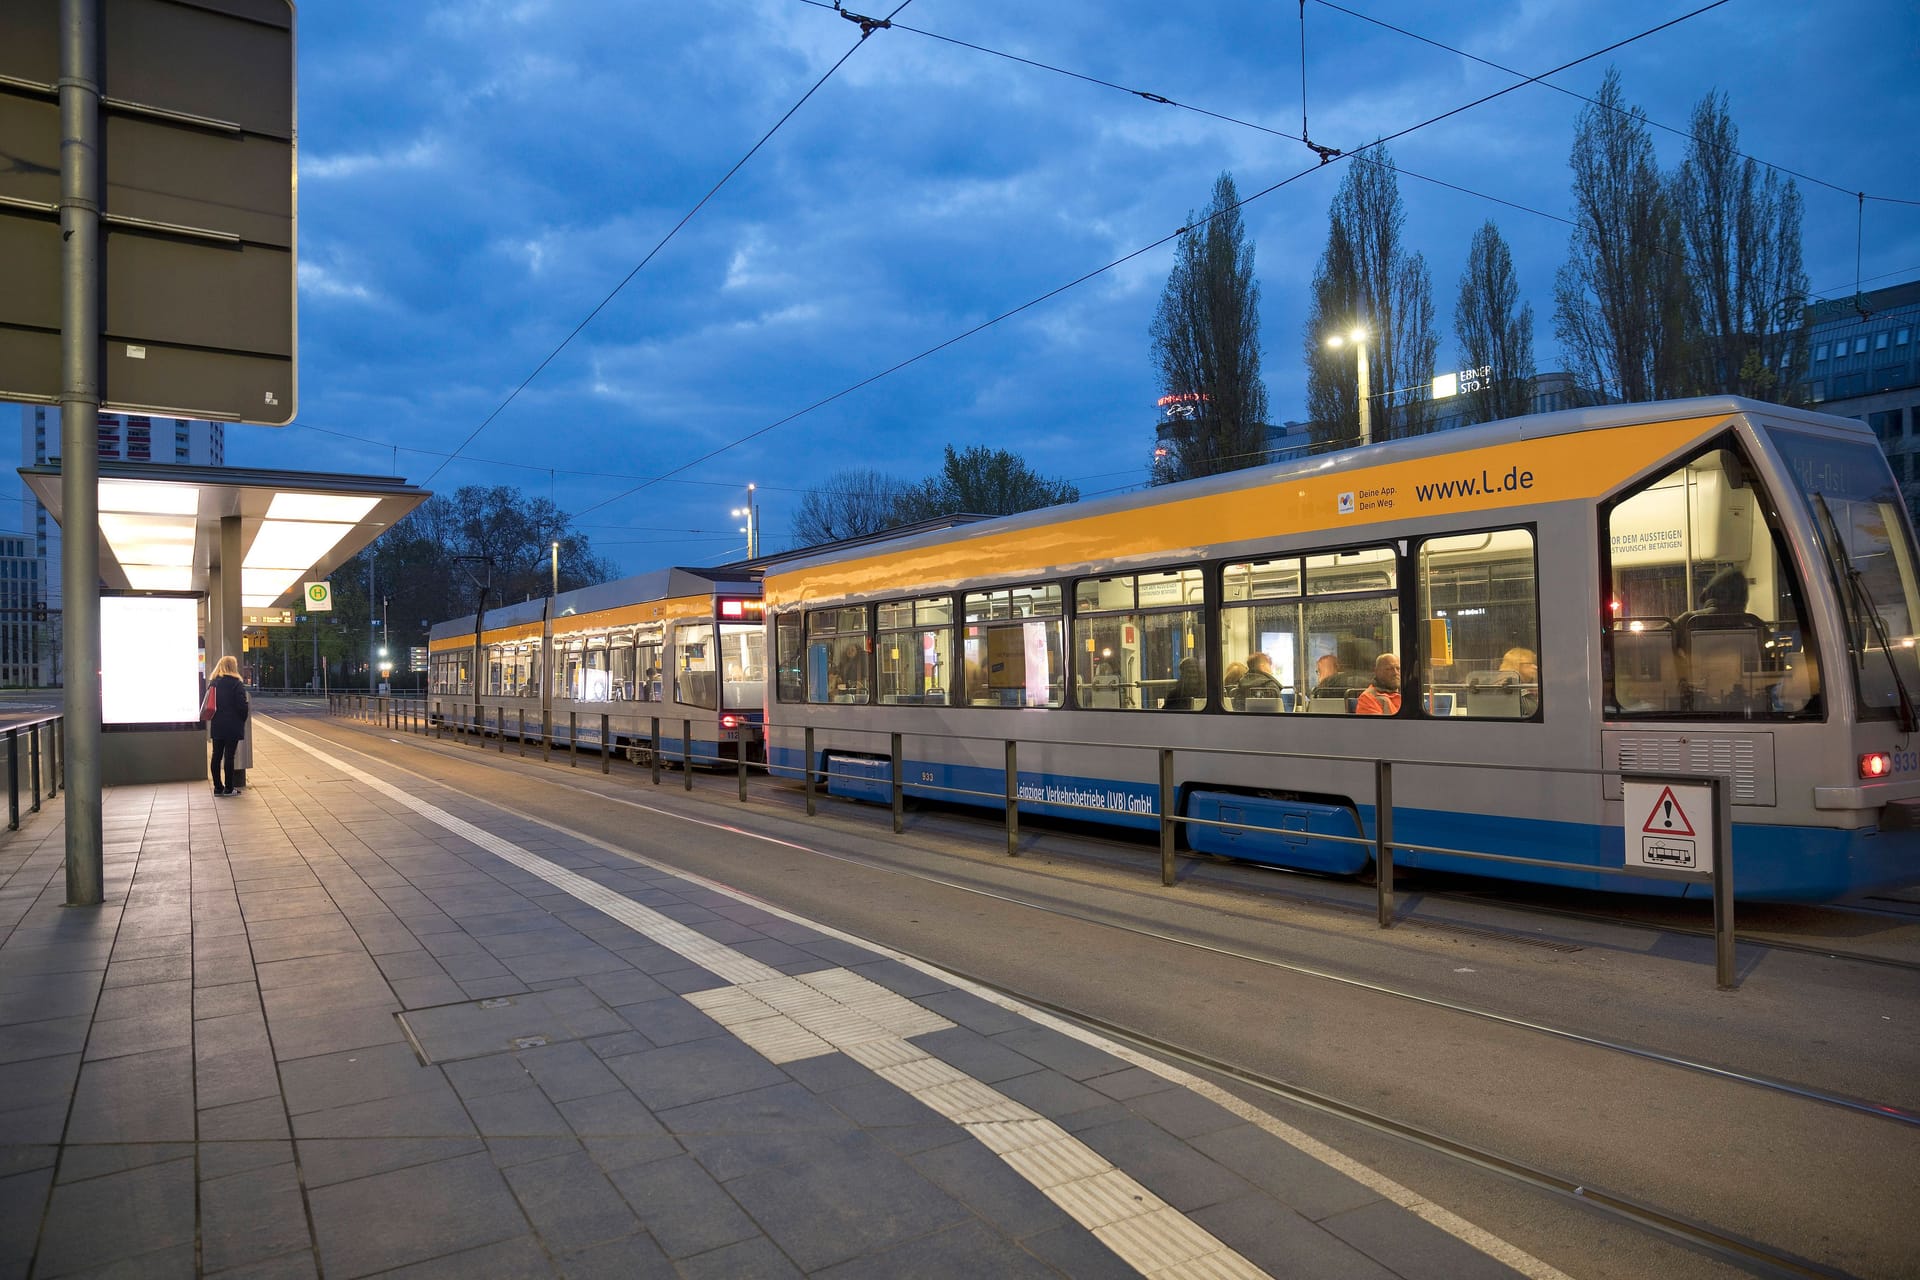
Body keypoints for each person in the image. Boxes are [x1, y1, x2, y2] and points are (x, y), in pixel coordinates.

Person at [207, 654, 250, 796]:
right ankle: (229, 788)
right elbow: (242, 707)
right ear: (233, 667)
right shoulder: (236, 683)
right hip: (232, 724)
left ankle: (218, 787)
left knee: (216, 755)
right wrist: (241, 719)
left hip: (217, 723)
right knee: (229, 756)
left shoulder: (213, 682)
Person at [1500, 646, 1539, 717]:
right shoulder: (1511, 690)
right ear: (1516, 666)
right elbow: (1534, 712)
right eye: (1529, 664)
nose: (1535, 667)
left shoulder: (1524, 687)